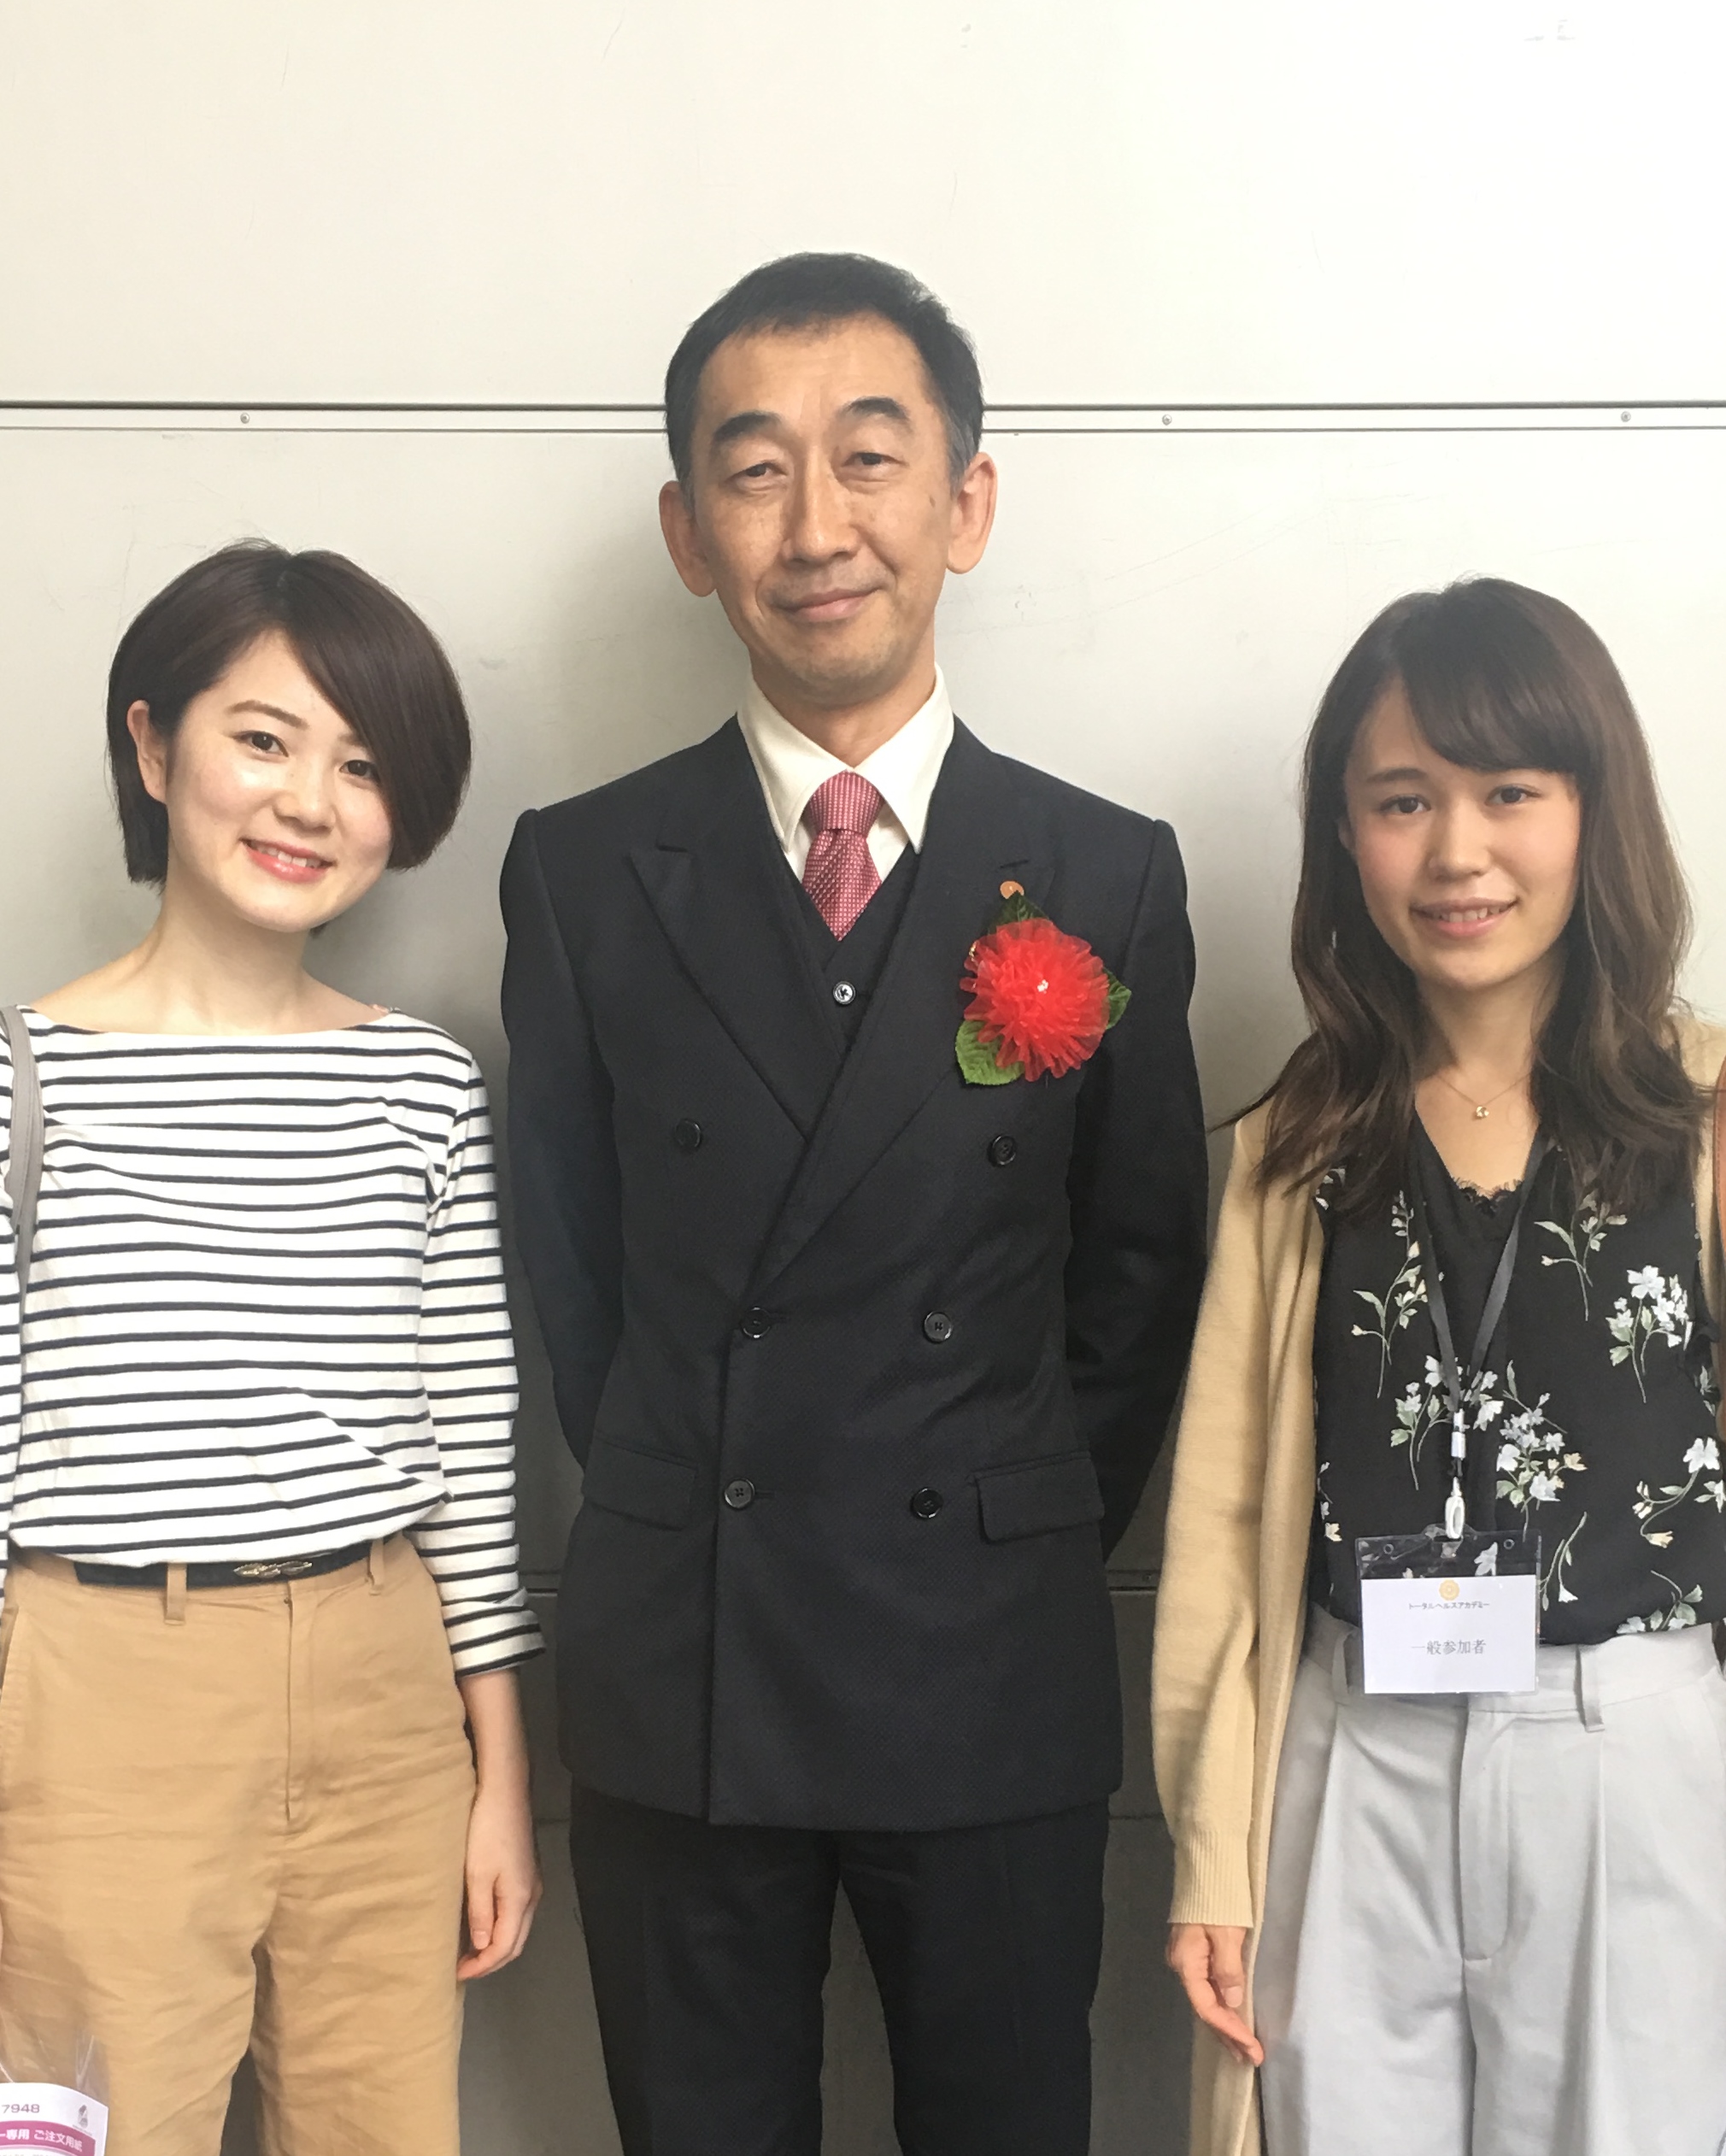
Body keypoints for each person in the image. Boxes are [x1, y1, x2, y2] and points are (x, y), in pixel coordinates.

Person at [501, 251, 1208, 2156]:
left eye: (869, 458)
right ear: (687, 531)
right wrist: (687, 1491)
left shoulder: (1102, 870)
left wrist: (996, 1505)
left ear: (963, 503)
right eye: (754, 470)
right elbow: (573, 1269)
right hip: (687, 1659)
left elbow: (1139, 1271)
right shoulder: (582, 871)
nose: (816, 525)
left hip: (984, 1649)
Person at [1154, 578, 1726, 2156]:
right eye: (1404, 799)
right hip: (1356, 1754)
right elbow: (1220, 1529)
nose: (1458, 851)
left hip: (1632, 1760)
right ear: (1347, 833)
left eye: (1510, 792)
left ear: (1594, 811)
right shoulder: (1298, 1141)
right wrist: (1213, 1856)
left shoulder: (1700, 1116)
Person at [0, 543, 542, 2156]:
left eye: (364, 765)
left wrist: (498, 1777)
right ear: (155, 745)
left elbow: (470, 1449)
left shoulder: (423, 1084)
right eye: (264, 739)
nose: (311, 801)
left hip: (385, 1683)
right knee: (92, 2131)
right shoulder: (28, 1079)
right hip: (102, 1685)